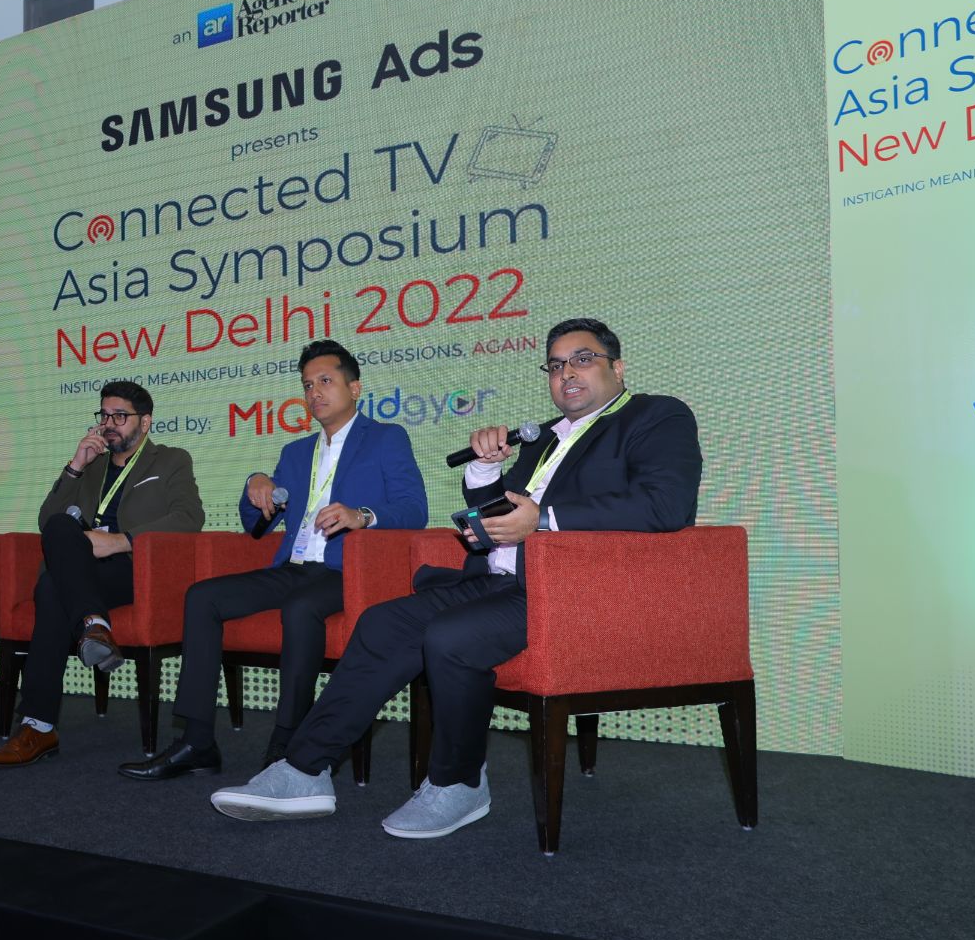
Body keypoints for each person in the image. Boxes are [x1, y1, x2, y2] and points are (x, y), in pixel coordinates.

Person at [208, 318, 702, 837]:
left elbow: (666, 505)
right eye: (556, 365)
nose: (566, 373)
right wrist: (485, 470)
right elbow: (498, 516)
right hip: (497, 581)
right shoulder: (543, 438)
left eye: (582, 359)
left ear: (617, 367)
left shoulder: (655, 416)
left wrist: (544, 519)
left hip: (570, 591)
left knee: (450, 636)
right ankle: (305, 769)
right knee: (381, 622)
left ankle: (459, 782)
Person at [119, 340, 428, 781]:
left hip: (348, 572)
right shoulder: (296, 453)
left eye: (325, 381)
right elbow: (257, 526)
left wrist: (361, 515)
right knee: (202, 596)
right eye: (307, 385)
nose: (314, 392)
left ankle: (287, 742)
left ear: (355, 388)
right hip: (293, 568)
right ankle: (197, 741)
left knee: (300, 609)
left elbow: (414, 509)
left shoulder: (385, 438)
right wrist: (256, 485)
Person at [0, 380, 205, 768]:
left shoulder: (171, 460)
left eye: (120, 416)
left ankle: (38, 726)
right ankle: (94, 624)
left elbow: (189, 519)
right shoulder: (92, 466)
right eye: (104, 415)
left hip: (132, 569)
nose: (109, 424)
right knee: (57, 532)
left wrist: (120, 541)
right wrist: (75, 465)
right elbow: (46, 522)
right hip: (82, 568)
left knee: (51, 587)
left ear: (145, 422)